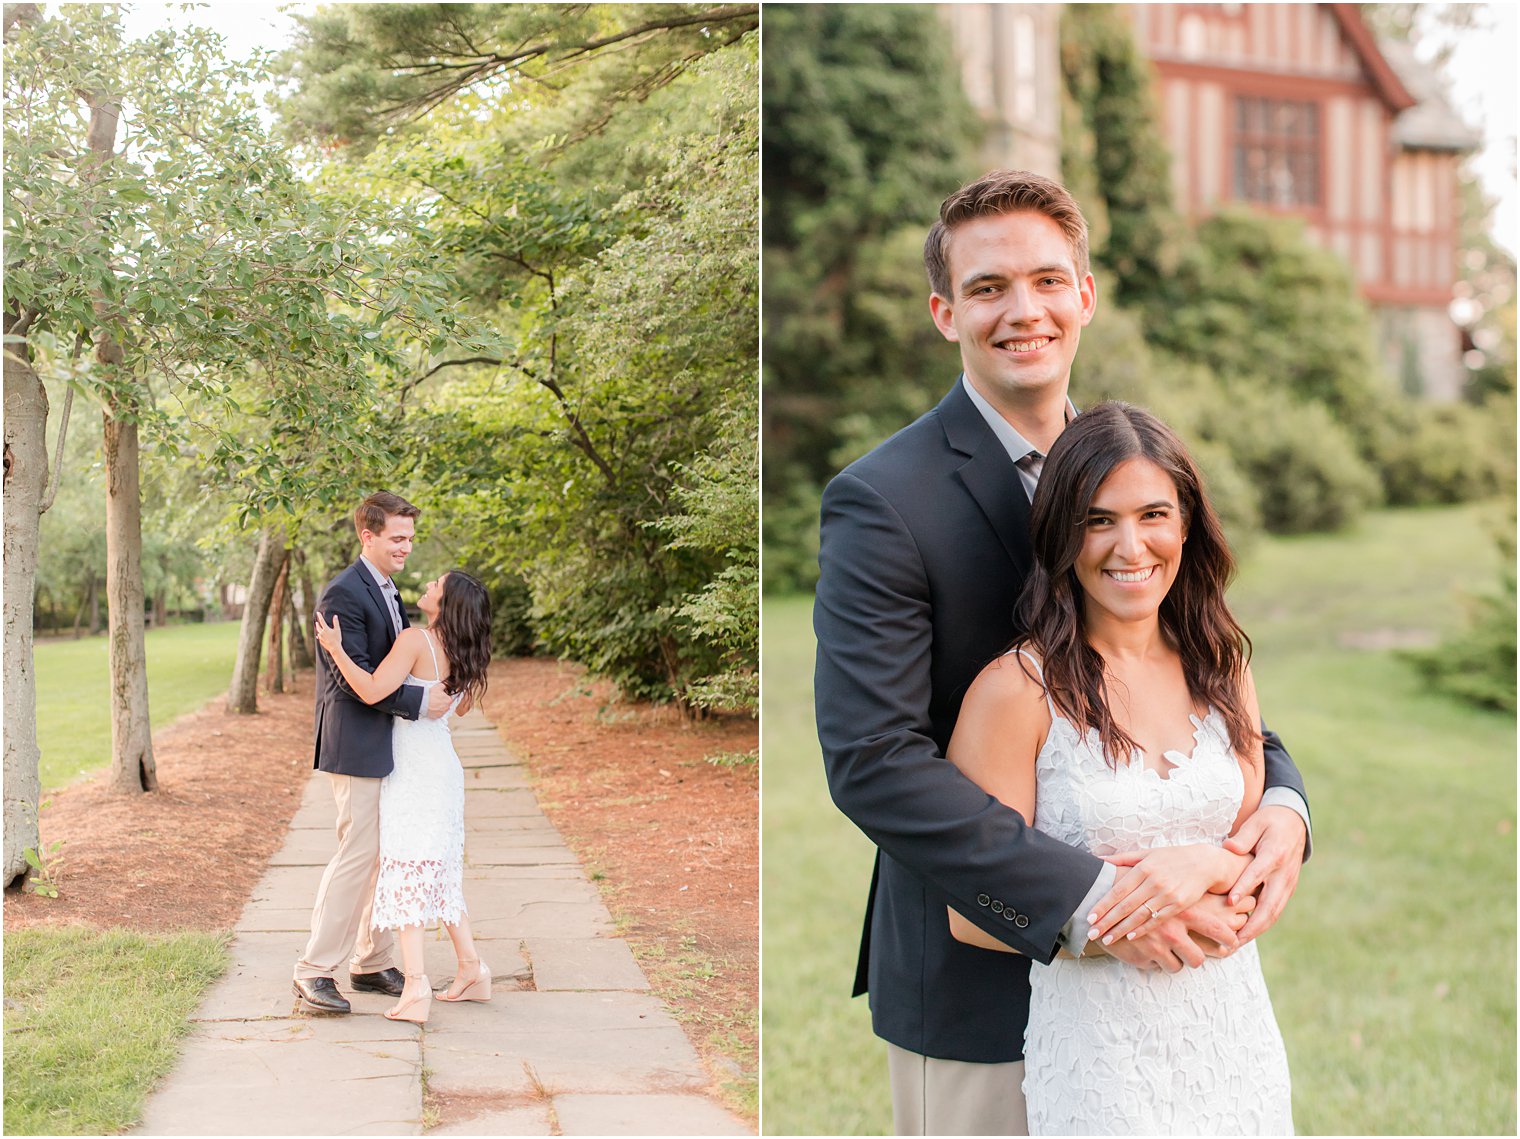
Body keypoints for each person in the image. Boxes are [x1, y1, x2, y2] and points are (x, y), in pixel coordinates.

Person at [812, 170, 1311, 1135]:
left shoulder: (1131, 467)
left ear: (1085, 295)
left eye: (1047, 279)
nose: (1022, 310)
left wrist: (1284, 806)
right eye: (989, 287)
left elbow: (1194, 673)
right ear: (944, 312)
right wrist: (1100, 903)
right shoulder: (884, 499)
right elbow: (873, 760)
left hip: (1183, 1005)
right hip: (981, 977)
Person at [947, 401, 1293, 1133]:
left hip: (1233, 1036)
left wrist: (1203, 862)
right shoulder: (1016, 691)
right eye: (1099, 520)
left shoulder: (1223, 666)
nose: (1129, 545)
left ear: (1187, 524)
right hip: (1101, 1057)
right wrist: (1112, 924)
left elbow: (1249, 852)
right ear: (1063, 536)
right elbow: (969, 909)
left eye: (1153, 514)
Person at [291, 492, 452, 1015]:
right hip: (357, 742)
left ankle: (370, 959)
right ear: (368, 536)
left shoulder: (386, 587)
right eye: (397, 538)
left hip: (388, 744)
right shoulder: (342, 594)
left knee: (387, 855)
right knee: (357, 855)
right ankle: (314, 969)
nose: (407, 547)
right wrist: (424, 702)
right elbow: (355, 679)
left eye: (409, 537)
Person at [314, 569, 494, 1023]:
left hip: (413, 773)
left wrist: (337, 650)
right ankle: (472, 969)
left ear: (446, 603)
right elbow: (458, 706)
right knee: (440, 875)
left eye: (436, 585)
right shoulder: (464, 653)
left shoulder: (417, 640)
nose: (428, 586)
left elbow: (374, 689)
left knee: (408, 872)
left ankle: (416, 987)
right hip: (444, 770)